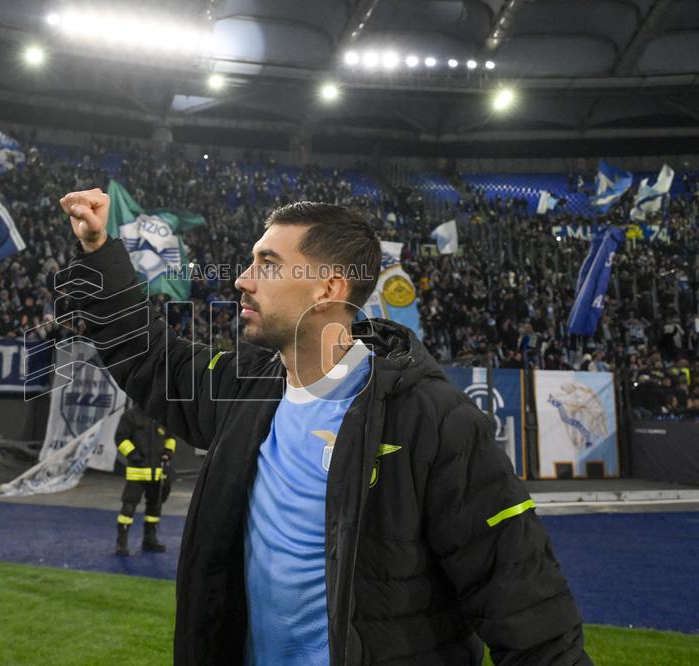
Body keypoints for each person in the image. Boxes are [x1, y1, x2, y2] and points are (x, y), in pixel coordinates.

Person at [57, 190, 591, 665]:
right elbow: (148, 357)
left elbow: (527, 610)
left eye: (267, 263)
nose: (242, 279)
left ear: (327, 288)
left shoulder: (433, 421)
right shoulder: (245, 390)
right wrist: (101, 251)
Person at [113, 402, 177, 555]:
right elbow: (120, 438)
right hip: (137, 473)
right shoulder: (130, 416)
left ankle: (150, 539)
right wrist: (133, 455)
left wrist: (168, 452)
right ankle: (121, 544)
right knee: (128, 508)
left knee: (154, 508)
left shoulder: (162, 416)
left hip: (157, 474)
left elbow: (171, 438)